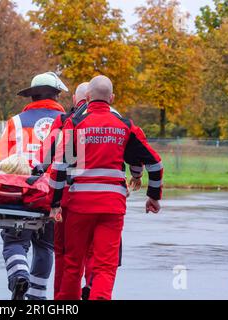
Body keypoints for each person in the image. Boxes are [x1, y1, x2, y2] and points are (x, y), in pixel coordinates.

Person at [50, 75, 163, 300]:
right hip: (112, 207)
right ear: (111, 98)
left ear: (88, 97)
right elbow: (155, 163)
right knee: (105, 267)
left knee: (73, 264)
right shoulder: (125, 126)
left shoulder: (74, 123)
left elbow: (60, 166)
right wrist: (153, 196)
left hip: (79, 205)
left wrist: (54, 204)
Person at [0, 72, 67, 300]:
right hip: (52, 194)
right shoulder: (68, 121)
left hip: (20, 194)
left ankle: (19, 273)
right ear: (57, 95)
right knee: (45, 246)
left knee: (15, 241)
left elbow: (3, 164)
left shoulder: (15, 122)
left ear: (31, 97)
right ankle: (37, 296)